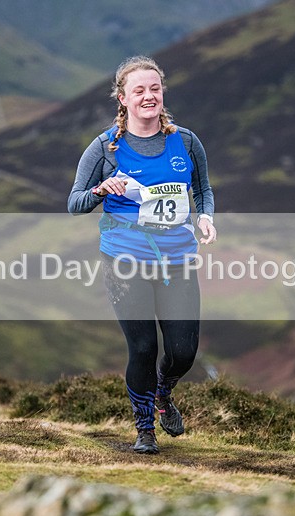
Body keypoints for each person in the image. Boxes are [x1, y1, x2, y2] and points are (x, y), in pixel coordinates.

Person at [68, 56, 216, 454]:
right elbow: (74, 202)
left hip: (177, 257)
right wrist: (100, 191)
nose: (148, 96)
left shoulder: (185, 141)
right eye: (139, 90)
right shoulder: (105, 148)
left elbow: (202, 190)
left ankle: (164, 392)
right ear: (123, 98)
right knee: (144, 349)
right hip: (125, 259)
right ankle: (145, 427)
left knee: (183, 352)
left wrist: (206, 218)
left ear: (162, 93)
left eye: (154, 88)